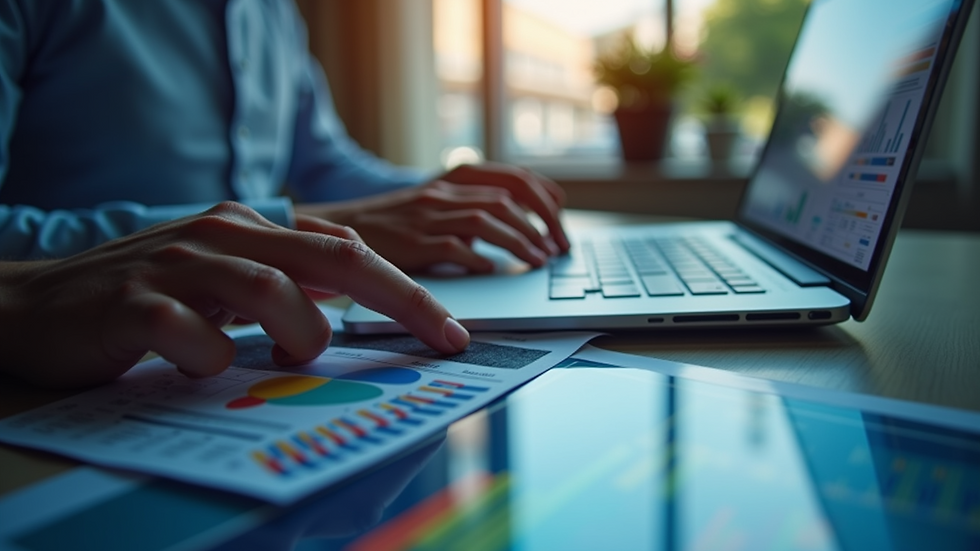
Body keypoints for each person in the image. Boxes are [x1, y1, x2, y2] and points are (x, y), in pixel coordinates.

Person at [0, 0, 570, 270]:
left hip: (259, 322)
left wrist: (441, 193)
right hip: (69, 360)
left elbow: (325, 165)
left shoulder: (272, 12)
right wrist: (282, 234)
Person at [0, 202, 470, 388]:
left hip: (238, 305)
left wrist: (442, 195)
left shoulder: (278, 22)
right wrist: (23, 293)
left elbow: (327, 163)